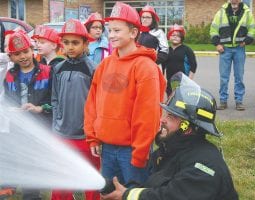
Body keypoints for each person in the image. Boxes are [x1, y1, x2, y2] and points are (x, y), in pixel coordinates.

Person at [100, 72, 239, 200]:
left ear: (187, 127)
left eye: (171, 117)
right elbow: (150, 182)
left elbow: (171, 196)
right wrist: (118, 188)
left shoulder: (205, 165)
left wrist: (128, 195)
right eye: (165, 114)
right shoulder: (170, 148)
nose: (162, 120)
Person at [84, 1, 166, 186]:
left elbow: (148, 115)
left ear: (133, 33)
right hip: (107, 148)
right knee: (109, 194)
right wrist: (93, 137)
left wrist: (140, 153)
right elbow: (92, 103)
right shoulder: (105, 65)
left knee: (133, 194)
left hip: (132, 151)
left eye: (117, 30)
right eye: (110, 30)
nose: (111, 35)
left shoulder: (145, 67)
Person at [51, 19, 100, 200]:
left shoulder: (93, 69)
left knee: (90, 180)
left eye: (75, 42)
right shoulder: (57, 68)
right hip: (62, 134)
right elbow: (54, 99)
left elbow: (98, 103)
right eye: (66, 42)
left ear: (86, 43)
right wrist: (56, 125)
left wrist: (93, 131)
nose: (70, 47)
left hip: (85, 136)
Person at [3, 30, 52, 200]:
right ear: (11, 57)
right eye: (17, 54)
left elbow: (56, 102)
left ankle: (32, 195)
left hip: (40, 129)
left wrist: (41, 108)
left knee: (34, 167)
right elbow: (7, 100)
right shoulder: (9, 76)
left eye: (25, 51)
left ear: (33, 50)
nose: (22, 56)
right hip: (17, 129)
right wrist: (10, 110)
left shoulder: (48, 72)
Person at [210, 0, 255, 111]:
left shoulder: (247, 12)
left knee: (239, 76)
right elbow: (213, 29)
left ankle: (239, 101)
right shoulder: (221, 12)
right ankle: (223, 101)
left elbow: (252, 28)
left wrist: (247, 40)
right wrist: (217, 44)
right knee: (224, 77)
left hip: (239, 48)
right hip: (224, 49)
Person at [163, 24, 197, 96]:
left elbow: (193, 65)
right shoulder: (167, 50)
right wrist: (164, 79)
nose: (175, 37)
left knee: (181, 100)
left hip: (183, 81)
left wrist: (189, 80)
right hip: (170, 81)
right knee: (171, 99)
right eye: (173, 35)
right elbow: (163, 66)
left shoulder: (187, 50)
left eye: (178, 36)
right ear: (169, 37)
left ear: (182, 38)